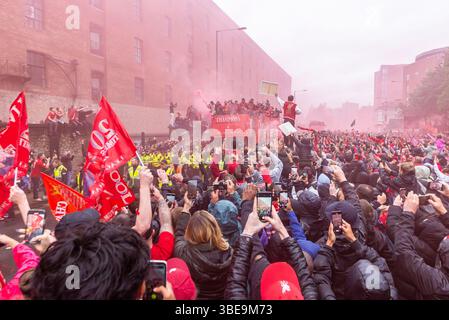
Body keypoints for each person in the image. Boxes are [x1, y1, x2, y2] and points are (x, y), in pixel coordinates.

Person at [174, 194, 233, 300]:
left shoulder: (184, 253)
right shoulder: (229, 252)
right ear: (215, 228)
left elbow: (179, 236)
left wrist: (186, 209)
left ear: (190, 231)